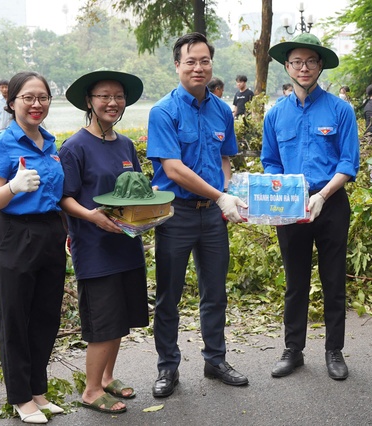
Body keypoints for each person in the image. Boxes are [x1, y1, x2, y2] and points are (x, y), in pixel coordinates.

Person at [146, 32, 249, 398]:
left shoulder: (222, 110)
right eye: (190, 61)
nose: (198, 67)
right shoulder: (163, 111)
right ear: (177, 66)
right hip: (176, 215)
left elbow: (225, 158)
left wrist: (229, 196)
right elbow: (172, 169)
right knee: (168, 295)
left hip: (213, 217)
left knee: (215, 292)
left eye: (204, 61)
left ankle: (215, 360)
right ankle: (167, 368)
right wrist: (222, 195)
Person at [261, 32, 359, 381]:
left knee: (333, 279)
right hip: (291, 206)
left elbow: (348, 163)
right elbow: (270, 161)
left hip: (330, 203)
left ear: (320, 66)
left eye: (311, 61)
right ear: (287, 67)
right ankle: (293, 350)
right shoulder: (275, 115)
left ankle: (335, 350)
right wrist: (282, 189)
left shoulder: (340, 109)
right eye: (297, 62)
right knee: (295, 280)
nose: (304, 68)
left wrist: (322, 195)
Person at [59, 70, 151, 414]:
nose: (112, 102)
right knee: (103, 322)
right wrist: (93, 216)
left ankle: (108, 377)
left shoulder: (125, 145)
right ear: (89, 101)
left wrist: (150, 214)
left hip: (127, 244)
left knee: (121, 318)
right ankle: (91, 390)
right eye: (104, 96)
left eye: (118, 96)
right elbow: (64, 198)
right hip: (95, 248)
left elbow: (136, 191)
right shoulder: (74, 147)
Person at [0, 71, 66, 424]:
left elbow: (57, 194)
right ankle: (20, 397)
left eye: (42, 97)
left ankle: (38, 390)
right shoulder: (1, 144)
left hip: (50, 232)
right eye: (28, 98)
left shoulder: (50, 143)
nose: (36, 104)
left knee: (46, 316)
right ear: (12, 101)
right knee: (15, 318)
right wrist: (14, 187)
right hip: (14, 234)